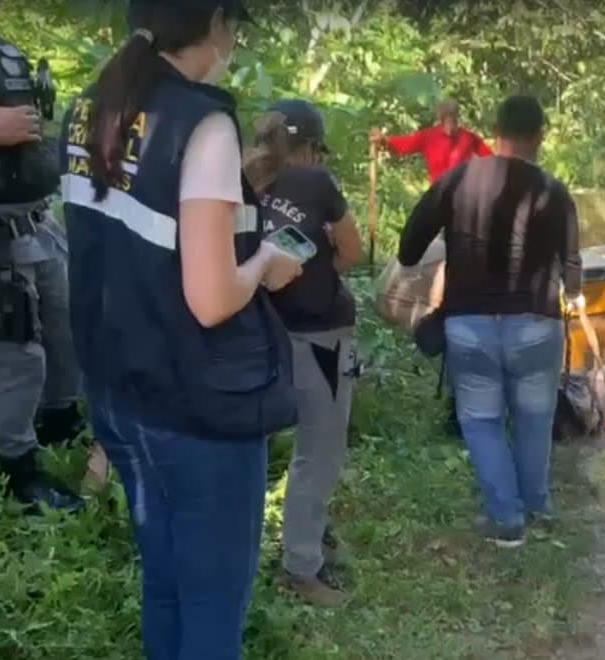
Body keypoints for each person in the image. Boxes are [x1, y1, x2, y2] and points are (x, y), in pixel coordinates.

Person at [60, 1, 302, 657]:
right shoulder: (202, 123)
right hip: (195, 408)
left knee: (167, 583)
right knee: (213, 607)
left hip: (120, 394)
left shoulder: (90, 109)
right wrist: (265, 263)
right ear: (215, 22)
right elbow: (212, 299)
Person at [397, 95, 583, 547]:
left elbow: (408, 250)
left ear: (494, 133)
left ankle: (507, 520)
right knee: (534, 419)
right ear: (540, 137)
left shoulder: (458, 179)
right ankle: (536, 506)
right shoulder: (554, 191)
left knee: (481, 421)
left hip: (469, 324)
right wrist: (571, 292)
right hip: (536, 324)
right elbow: (573, 274)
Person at [0, 0, 87, 512]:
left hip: (32, 221)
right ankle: (20, 474)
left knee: (65, 323)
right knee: (13, 341)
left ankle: (60, 425)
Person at [242, 99, 361, 608]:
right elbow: (352, 251)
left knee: (260, 448)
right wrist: (318, 267)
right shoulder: (316, 183)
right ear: (310, 148)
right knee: (319, 451)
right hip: (322, 335)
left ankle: (301, 544)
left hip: (260, 332)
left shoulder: (241, 178)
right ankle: (301, 566)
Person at [369, 98, 493, 183]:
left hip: (463, 196)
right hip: (438, 196)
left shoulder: (468, 138)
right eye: (446, 121)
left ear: (457, 119)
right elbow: (405, 144)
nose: (449, 127)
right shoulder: (429, 137)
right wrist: (383, 140)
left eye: (453, 121)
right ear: (440, 120)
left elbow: (491, 159)